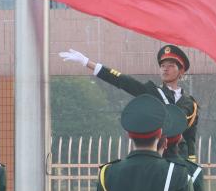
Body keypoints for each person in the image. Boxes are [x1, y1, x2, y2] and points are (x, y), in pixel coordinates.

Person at [59, 44, 201, 161]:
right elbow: (123, 81)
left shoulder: (190, 103)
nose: (165, 68)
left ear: (181, 71)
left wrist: (192, 165)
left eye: (170, 65)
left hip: (181, 160)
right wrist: (87, 63)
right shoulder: (152, 92)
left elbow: (190, 139)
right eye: (162, 65)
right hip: (157, 158)